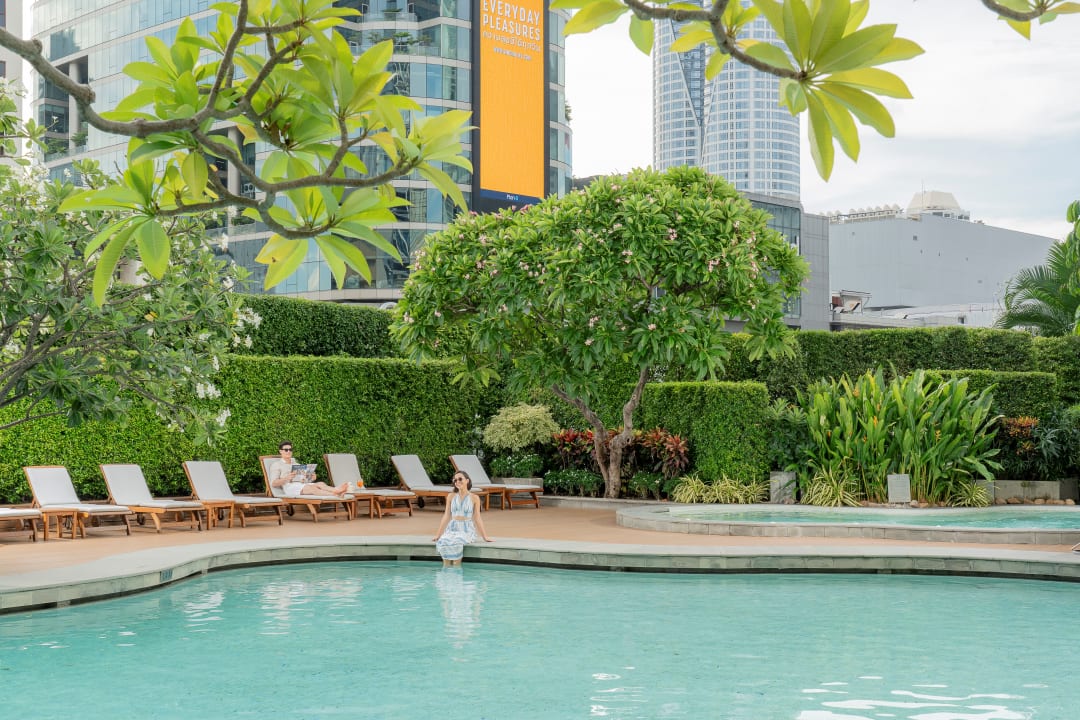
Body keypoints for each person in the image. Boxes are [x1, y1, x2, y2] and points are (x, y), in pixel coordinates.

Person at [432, 471, 492, 567]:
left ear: (467, 481)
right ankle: (446, 571)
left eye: (460, 479)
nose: (457, 481)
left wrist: (485, 537)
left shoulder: (474, 497)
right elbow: (446, 515)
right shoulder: (451, 496)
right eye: (455, 480)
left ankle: (457, 569)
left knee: (457, 541)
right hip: (452, 528)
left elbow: (477, 517)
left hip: (466, 529)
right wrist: (438, 535)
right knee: (444, 541)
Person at [267, 441, 350, 497]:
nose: (288, 451)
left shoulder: (296, 464)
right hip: (289, 487)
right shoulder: (276, 465)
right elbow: (273, 483)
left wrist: (311, 478)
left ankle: (336, 490)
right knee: (312, 488)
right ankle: (336, 494)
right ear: (280, 451)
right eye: (286, 450)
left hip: (300, 484)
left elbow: (303, 480)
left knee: (320, 483)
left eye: (290, 449)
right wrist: (286, 478)